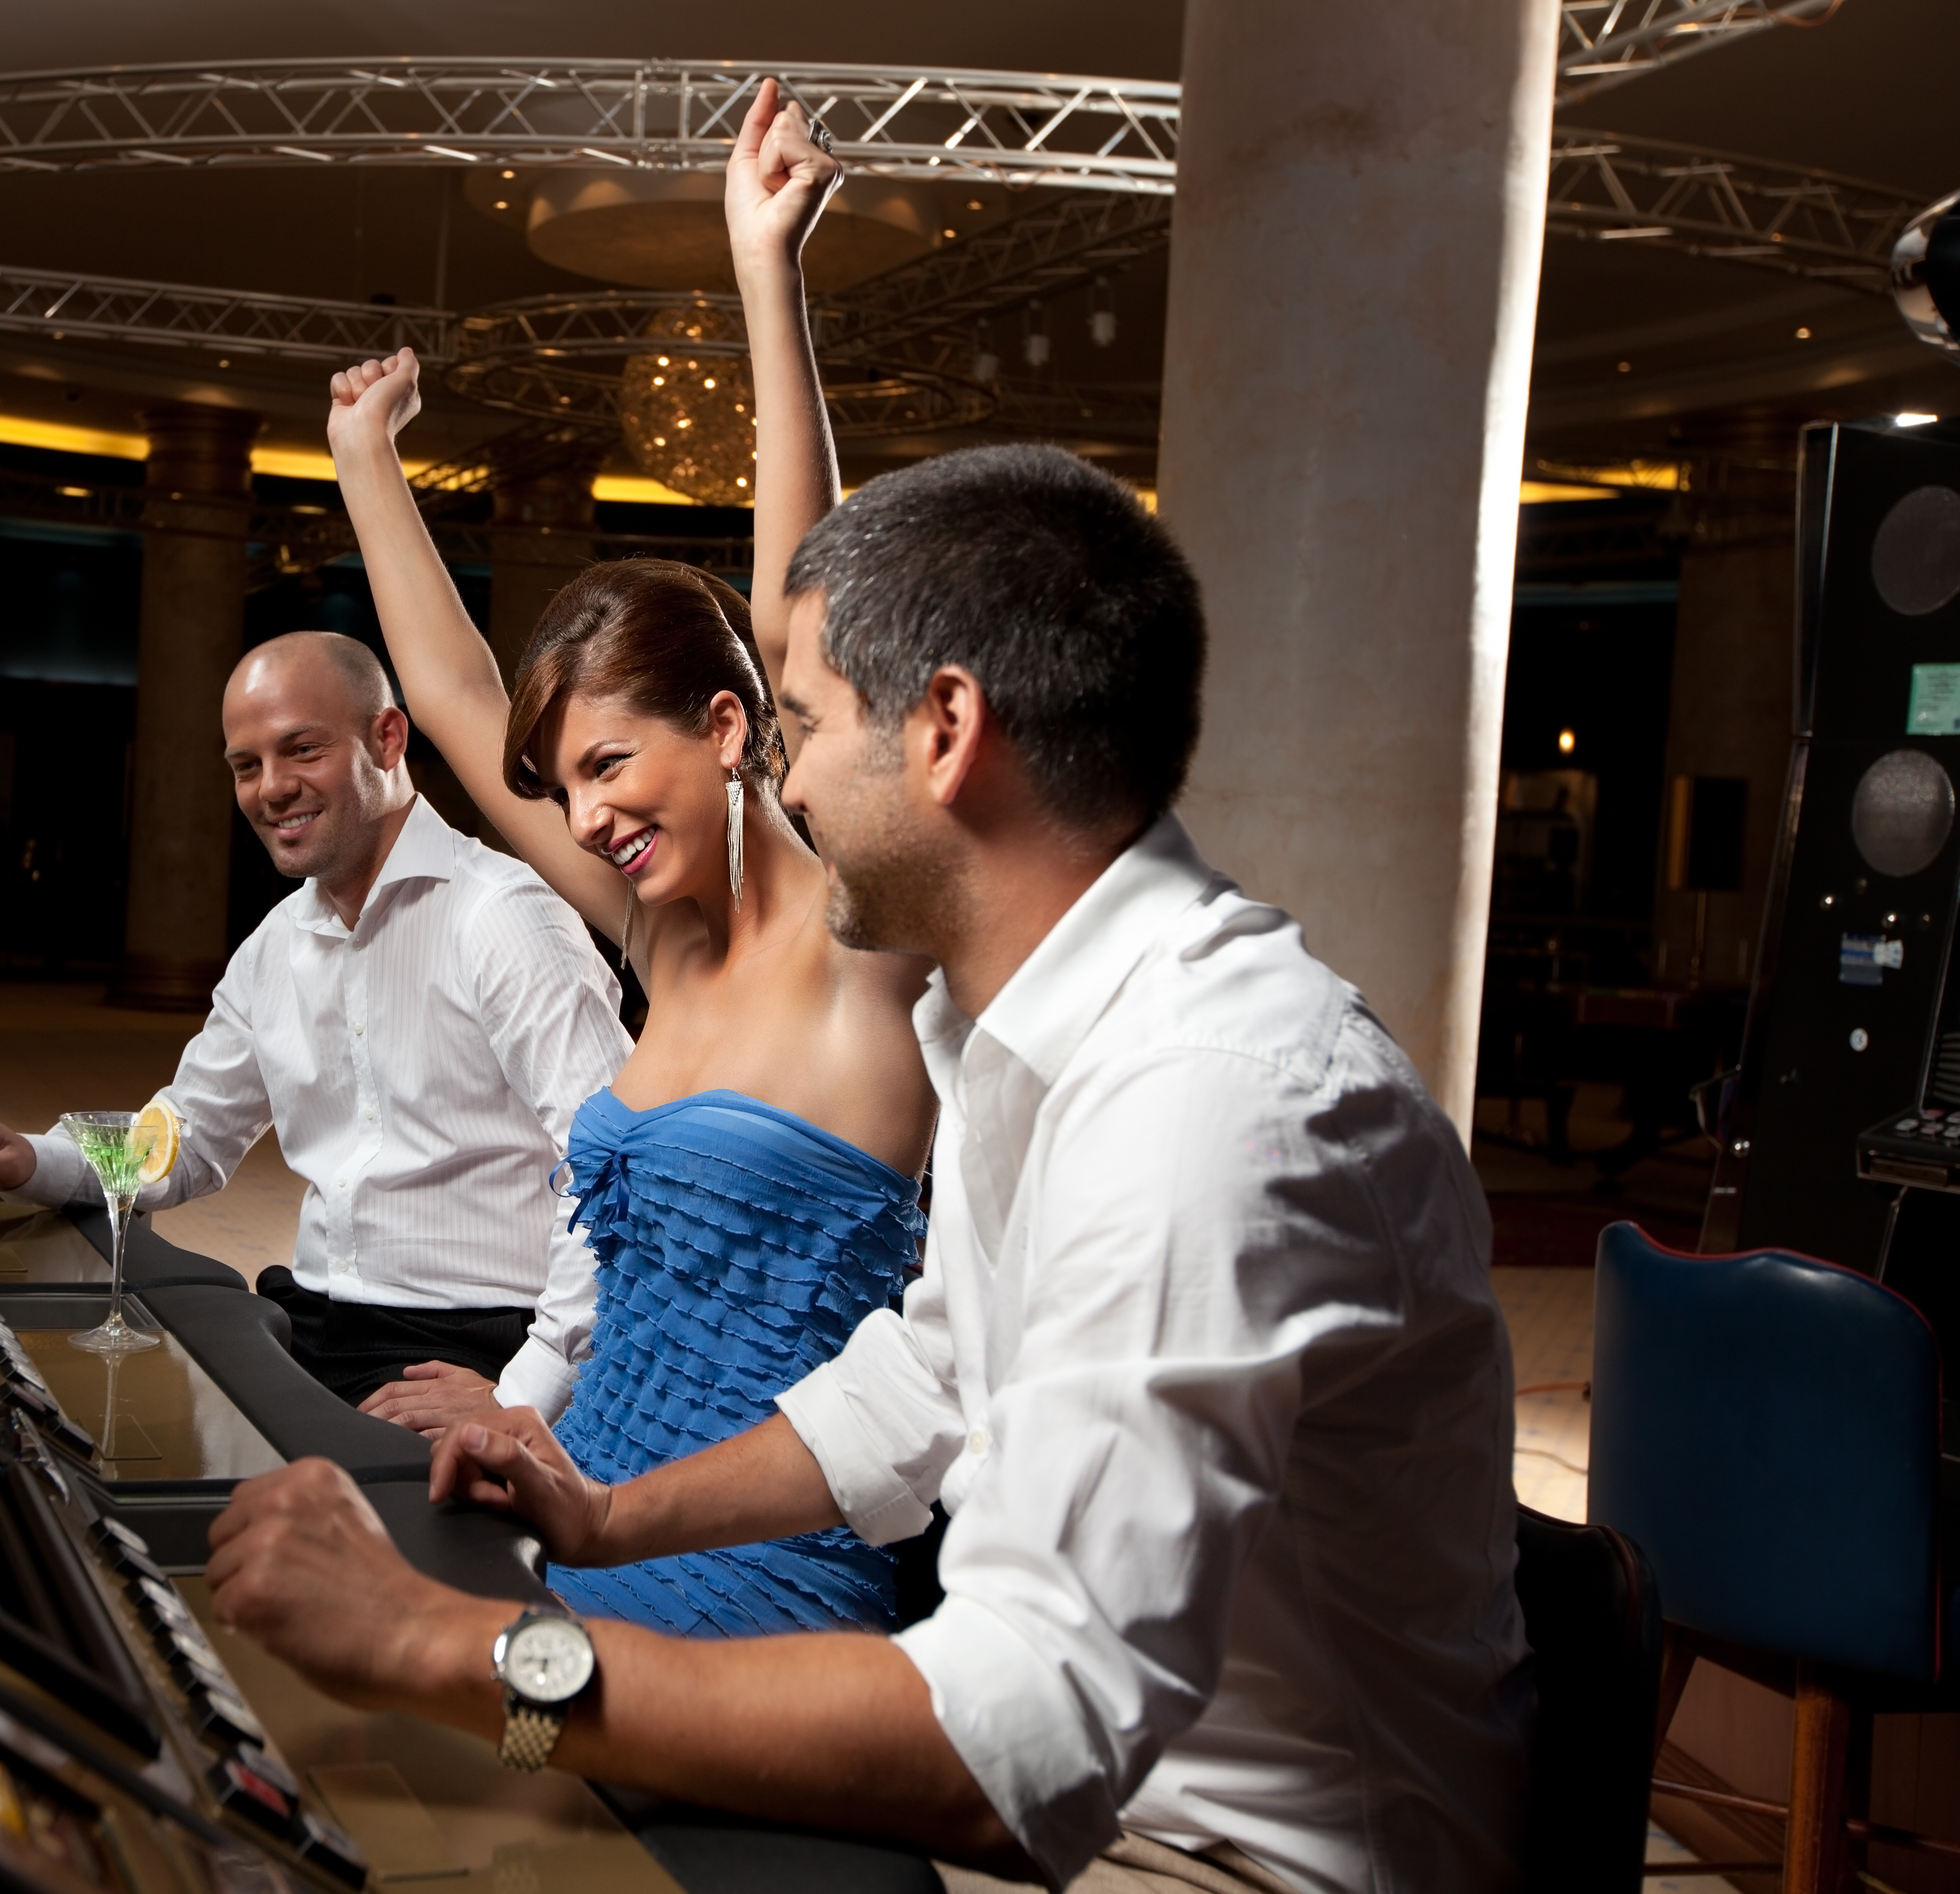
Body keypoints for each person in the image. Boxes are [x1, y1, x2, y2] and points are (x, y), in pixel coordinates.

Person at [200, 438, 1533, 1891]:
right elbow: (918, 1390)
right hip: (1080, 1805)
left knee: (496, 1765)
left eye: (807, 724)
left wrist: (437, 1645)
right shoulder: (1022, 1036)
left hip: (1215, 1860)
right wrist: (603, 1516)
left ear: (946, 729)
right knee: (452, 1809)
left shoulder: (1205, 1103)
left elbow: (1022, 1739)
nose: (785, 771)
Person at [318, 82, 936, 1638]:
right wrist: (364, 467)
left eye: (611, 766)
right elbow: (459, 706)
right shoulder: (659, 934)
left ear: (730, 727)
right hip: (571, 1503)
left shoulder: (874, 938)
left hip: (759, 1568)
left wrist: (762, 273)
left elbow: (806, 606)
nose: (585, 819)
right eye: (567, 787)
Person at [0, 631, 630, 1420]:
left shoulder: (502, 918)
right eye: (246, 767)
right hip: (311, 1321)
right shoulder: (273, 948)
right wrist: (31, 1158)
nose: (270, 788)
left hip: (471, 1340)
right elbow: (187, 1138)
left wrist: (526, 1392)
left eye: (301, 750)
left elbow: (617, 1167)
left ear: (388, 739)